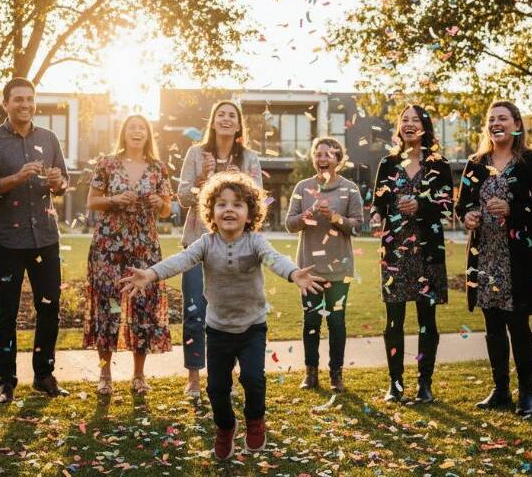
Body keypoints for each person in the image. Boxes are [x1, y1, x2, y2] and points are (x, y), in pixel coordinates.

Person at [119, 172, 324, 460]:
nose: (229, 209)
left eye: (238, 204)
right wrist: (151, 273)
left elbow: (274, 259)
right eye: (222, 204)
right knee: (217, 388)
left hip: (252, 327)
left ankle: (255, 420)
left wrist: (292, 273)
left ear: (250, 213)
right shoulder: (206, 243)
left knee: (253, 379)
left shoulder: (255, 242)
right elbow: (181, 260)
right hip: (217, 330)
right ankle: (225, 428)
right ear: (211, 211)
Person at [0, 77, 70, 403]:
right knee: (6, 313)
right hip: (7, 241)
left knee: (49, 308)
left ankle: (43, 374)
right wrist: (15, 178)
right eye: (18, 100)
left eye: (29, 99)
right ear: (6, 104)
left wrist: (57, 183)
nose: (25, 105)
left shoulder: (49, 138)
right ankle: (6, 381)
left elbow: (64, 183)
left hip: (44, 236)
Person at [455, 101, 532, 416]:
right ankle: (500, 390)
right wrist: (468, 215)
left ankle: (528, 394)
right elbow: (462, 204)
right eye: (491, 119)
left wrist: (513, 210)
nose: (496, 123)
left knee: (518, 325)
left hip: (517, 258)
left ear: (517, 124)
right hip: (485, 256)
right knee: (492, 324)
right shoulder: (476, 163)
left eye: (503, 118)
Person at [176, 100, 262, 397]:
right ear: (213, 122)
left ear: (239, 125)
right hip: (199, 242)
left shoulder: (249, 158)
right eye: (221, 115)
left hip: (237, 248)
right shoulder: (195, 154)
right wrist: (202, 184)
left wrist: (244, 185)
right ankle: (194, 378)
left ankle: (228, 374)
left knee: (233, 311)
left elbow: (257, 202)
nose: (226, 119)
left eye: (232, 116)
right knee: (195, 311)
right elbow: (183, 197)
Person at [83, 115, 173, 395]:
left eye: (142, 128)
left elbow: (168, 209)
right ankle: (106, 375)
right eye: (132, 127)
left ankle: (138, 375)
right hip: (109, 246)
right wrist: (114, 200)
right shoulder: (107, 164)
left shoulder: (158, 168)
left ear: (148, 135)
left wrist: (160, 203)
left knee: (143, 307)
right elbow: (92, 202)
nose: (137, 132)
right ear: (124, 133)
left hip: (144, 246)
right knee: (107, 306)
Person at [372, 104, 453, 403]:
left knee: (426, 320)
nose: (409, 124)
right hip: (394, 251)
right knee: (394, 320)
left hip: (427, 250)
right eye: (404, 120)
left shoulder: (439, 164)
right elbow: (379, 202)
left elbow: (446, 204)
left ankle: (424, 383)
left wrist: (421, 205)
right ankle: (395, 383)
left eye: (415, 120)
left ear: (425, 126)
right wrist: (375, 216)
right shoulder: (388, 162)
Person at [286, 137, 364, 392]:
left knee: (336, 323)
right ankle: (310, 374)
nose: (322, 159)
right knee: (311, 322)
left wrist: (336, 217)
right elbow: (290, 224)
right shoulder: (302, 187)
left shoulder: (350, 188)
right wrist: (307, 215)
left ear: (338, 160)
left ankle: (336, 375)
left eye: (328, 155)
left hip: (340, 270)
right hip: (309, 270)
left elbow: (358, 226)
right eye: (318, 154)